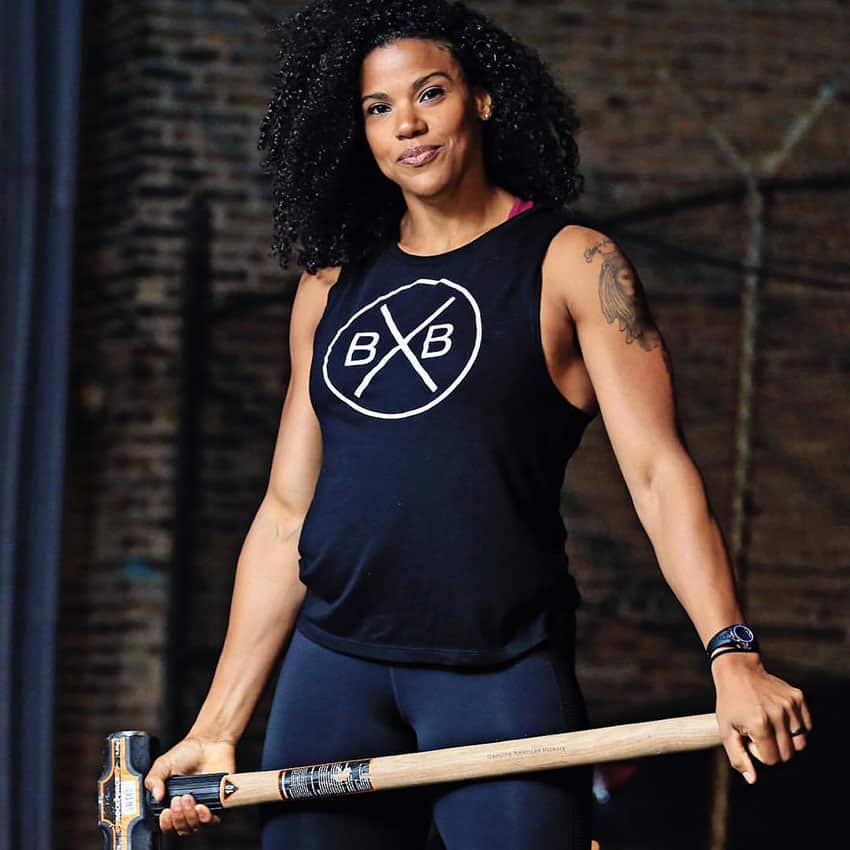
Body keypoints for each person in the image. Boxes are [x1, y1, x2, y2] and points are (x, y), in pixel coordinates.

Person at [143, 1, 813, 847]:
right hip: (335, 667)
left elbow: (656, 472)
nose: (408, 125)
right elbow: (286, 514)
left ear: (484, 99)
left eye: (430, 93)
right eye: (378, 108)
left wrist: (733, 653)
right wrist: (217, 722)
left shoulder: (574, 262)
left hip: (497, 668)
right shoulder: (330, 287)